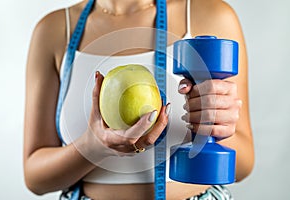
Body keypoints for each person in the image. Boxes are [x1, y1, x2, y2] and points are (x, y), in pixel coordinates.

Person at [23, 0, 254, 199]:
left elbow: (243, 165)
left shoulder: (211, 15)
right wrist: (92, 147)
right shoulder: (54, 29)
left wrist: (213, 126)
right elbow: (35, 178)